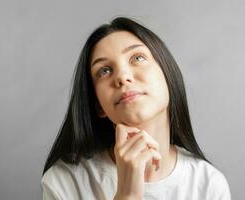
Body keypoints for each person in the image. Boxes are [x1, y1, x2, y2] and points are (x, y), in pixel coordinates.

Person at [41, 17, 231, 200]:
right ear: (99, 105)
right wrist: (127, 195)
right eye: (104, 70)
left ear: (167, 76)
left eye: (137, 57)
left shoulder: (208, 184)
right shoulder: (64, 182)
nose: (122, 77)